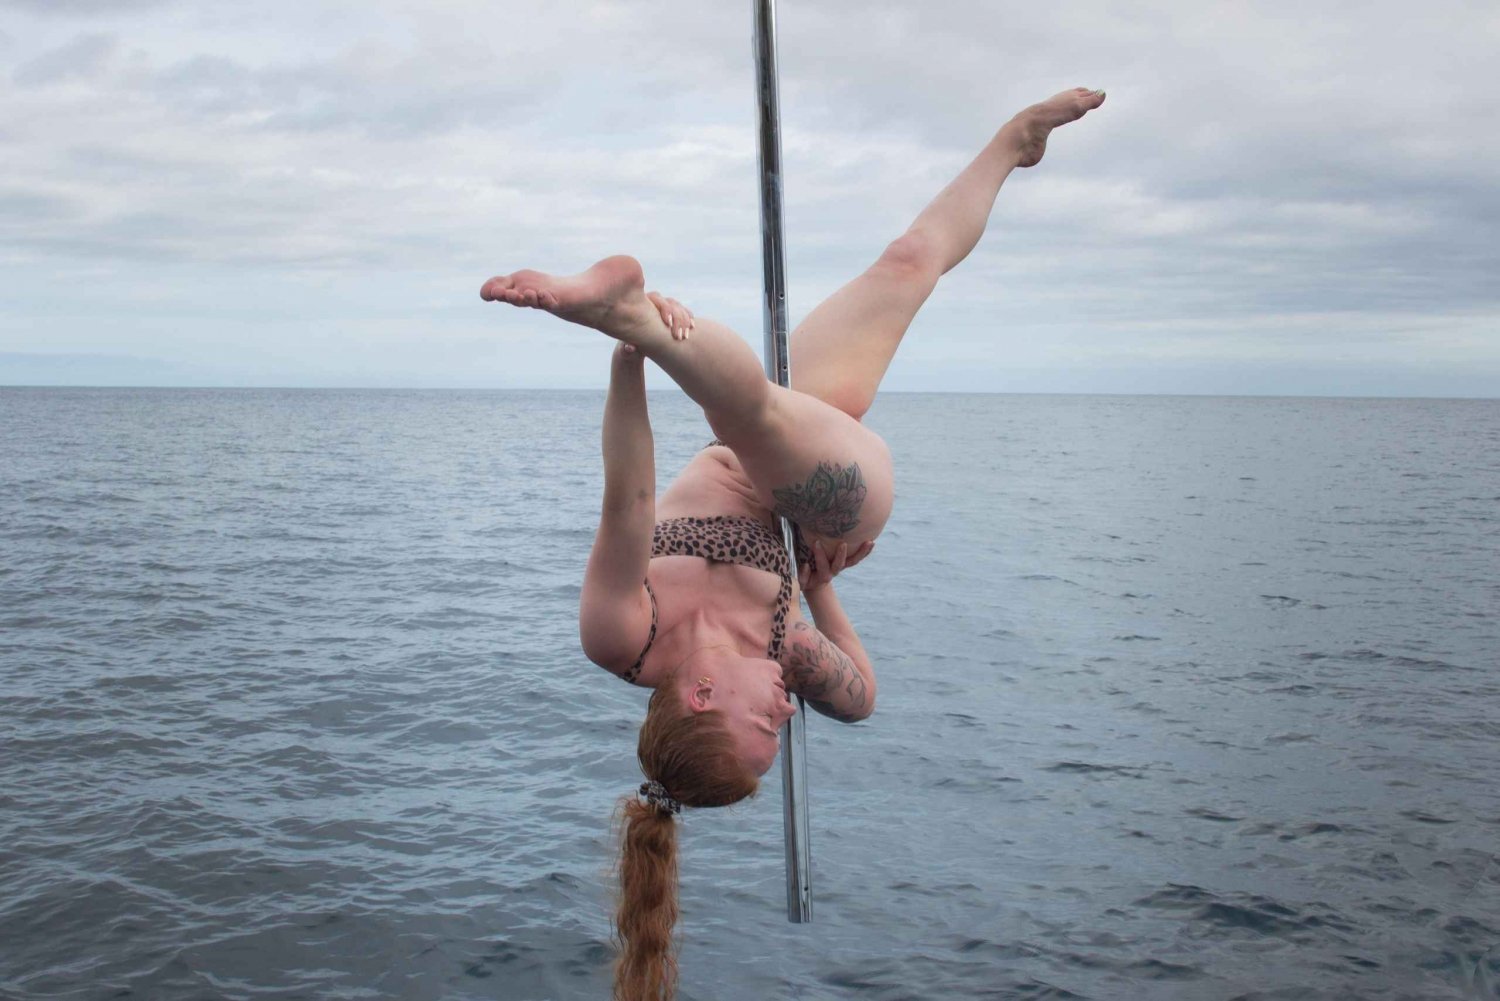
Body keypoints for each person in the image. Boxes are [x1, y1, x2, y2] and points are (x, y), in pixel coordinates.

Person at [481, 86, 1105, 1001]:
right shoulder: (787, 651)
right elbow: (864, 699)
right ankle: (627, 314)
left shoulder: (625, 640)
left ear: (697, 693)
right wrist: (822, 590)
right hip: (834, 497)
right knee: (751, 413)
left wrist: (628, 372)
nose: (787, 714)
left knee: (902, 267)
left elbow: (628, 503)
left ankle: (1014, 143)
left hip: (759, 444)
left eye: (763, 726)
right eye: (783, 729)